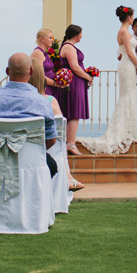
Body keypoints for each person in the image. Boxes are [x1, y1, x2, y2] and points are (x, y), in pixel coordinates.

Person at [79, 6, 137, 155]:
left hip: (126, 65)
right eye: (132, 17)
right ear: (128, 17)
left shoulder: (124, 32)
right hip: (127, 65)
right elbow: (130, 52)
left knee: (129, 94)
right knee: (128, 95)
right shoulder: (124, 31)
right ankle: (126, 131)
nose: (133, 19)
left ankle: (131, 130)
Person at [0, 53, 57, 150]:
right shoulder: (42, 102)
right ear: (31, 71)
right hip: (31, 163)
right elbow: (51, 139)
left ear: (7, 71)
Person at [29, 57, 84, 190]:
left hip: (23, 150)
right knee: (58, 146)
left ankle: (69, 177)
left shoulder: (18, 102)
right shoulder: (50, 101)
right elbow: (57, 133)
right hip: (48, 149)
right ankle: (68, 177)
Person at [57, 24, 93, 155]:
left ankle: (68, 142)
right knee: (74, 112)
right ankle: (70, 144)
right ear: (76, 34)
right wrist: (88, 77)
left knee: (73, 112)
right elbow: (75, 67)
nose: (82, 36)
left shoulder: (68, 47)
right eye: (81, 34)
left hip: (75, 82)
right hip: (74, 82)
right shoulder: (68, 47)